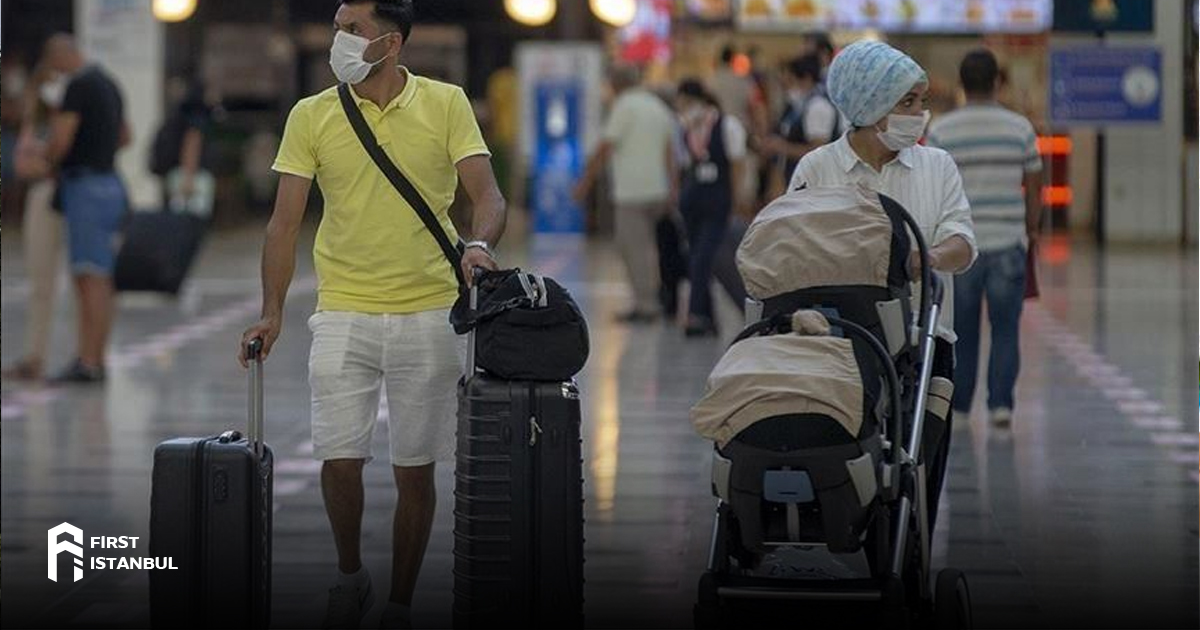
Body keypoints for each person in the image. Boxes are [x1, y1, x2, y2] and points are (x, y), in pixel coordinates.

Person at [237, 1, 506, 628]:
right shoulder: (312, 114)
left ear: (390, 42)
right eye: (337, 27)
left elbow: (487, 194)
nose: (339, 39)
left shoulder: (446, 103)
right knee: (339, 457)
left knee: (415, 469)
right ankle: (350, 574)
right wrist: (272, 312)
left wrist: (480, 244)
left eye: (352, 29)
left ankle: (400, 604)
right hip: (342, 308)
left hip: (428, 310)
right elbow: (282, 225)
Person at [788, 40, 977, 534]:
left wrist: (924, 259)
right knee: (844, 457)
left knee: (918, 466)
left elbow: (962, 242)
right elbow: (791, 249)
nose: (920, 114)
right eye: (907, 102)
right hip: (837, 344)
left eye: (921, 101)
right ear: (869, 105)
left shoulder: (937, 167)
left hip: (922, 343)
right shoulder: (817, 169)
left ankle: (909, 552)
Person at [925, 49, 1043, 428]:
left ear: (961, 83)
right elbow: (1035, 183)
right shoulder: (1020, 128)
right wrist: (1031, 228)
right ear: (997, 82)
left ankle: (960, 407)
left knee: (962, 331)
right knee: (1006, 329)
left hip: (961, 246)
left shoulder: (942, 130)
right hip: (1008, 240)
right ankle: (1000, 406)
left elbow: (935, 187)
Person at [40, 33, 131, 384]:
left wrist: (46, 159)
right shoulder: (109, 83)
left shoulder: (77, 86)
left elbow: (61, 140)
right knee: (102, 276)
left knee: (87, 276)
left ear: (61, 56)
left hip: (85, 187)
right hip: (111, 183)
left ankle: (88, 360)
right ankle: (97, 356)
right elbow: (126, 136)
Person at [574, 64, 679, 323]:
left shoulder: (624, 107)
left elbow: (605, 146)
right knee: (650, 247)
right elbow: (670, 152)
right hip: (658, 189)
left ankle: (646, 305)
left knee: (634, 248)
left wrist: (585, 182)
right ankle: (656, 299)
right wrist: (673, 187)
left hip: (632, 191)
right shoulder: (657, 107)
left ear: (615, 85)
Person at [2, 61, 67, 381]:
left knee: (84, 280)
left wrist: (46, 161)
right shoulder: (36, 122)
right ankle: (35, 355)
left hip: (72, 193)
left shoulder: (73, 115)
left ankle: (85, 354)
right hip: (43, 195)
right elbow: (23, 165)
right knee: (40, 280)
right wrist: (45, 163)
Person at [675, 79, 749, 338]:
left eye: (686, 103)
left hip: (718, 199)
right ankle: (706, 317)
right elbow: (685, 165)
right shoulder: (687, 128)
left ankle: (696, 314)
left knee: (704, 257)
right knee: (695, 256)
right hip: (694, 200)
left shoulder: (726, 125)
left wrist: (736, 200)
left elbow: (737, 164)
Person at [761, 54, 840, 196]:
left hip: (813, 187)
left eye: (791, 81)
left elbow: (818, 151)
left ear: (806, 79)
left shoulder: (818, 107)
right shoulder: (799, 106)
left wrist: (782, 147)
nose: (788, 87)